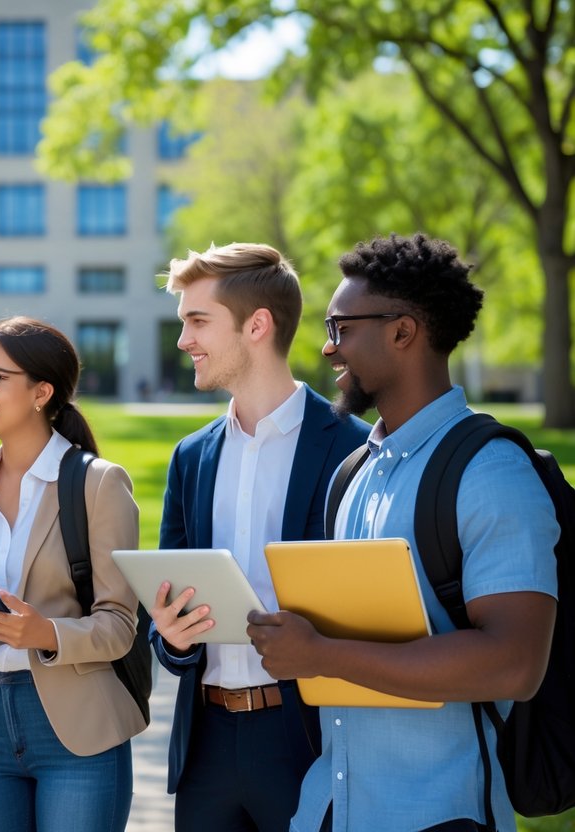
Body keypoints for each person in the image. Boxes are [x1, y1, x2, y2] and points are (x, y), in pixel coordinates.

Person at [248, 233, 558, 832]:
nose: (327, 347)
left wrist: (320, 654)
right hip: (328, 811)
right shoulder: (353, 472)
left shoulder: (490, 470)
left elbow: (515, 663)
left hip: (438, 815)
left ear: (402, 331)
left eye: (340, 328)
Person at [149, 243, 369, 831]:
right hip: (208, 744)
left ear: (256, 325)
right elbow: (168, 614)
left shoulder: (355, 448)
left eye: (198, 321)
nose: (183, 339)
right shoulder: (190, 457)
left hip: (309, 740)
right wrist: (171, 636)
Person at [0, 316, 144, 832]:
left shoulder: (98, 484)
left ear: (42, 391)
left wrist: (44, 633)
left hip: (76, 728)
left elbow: (120, 625)